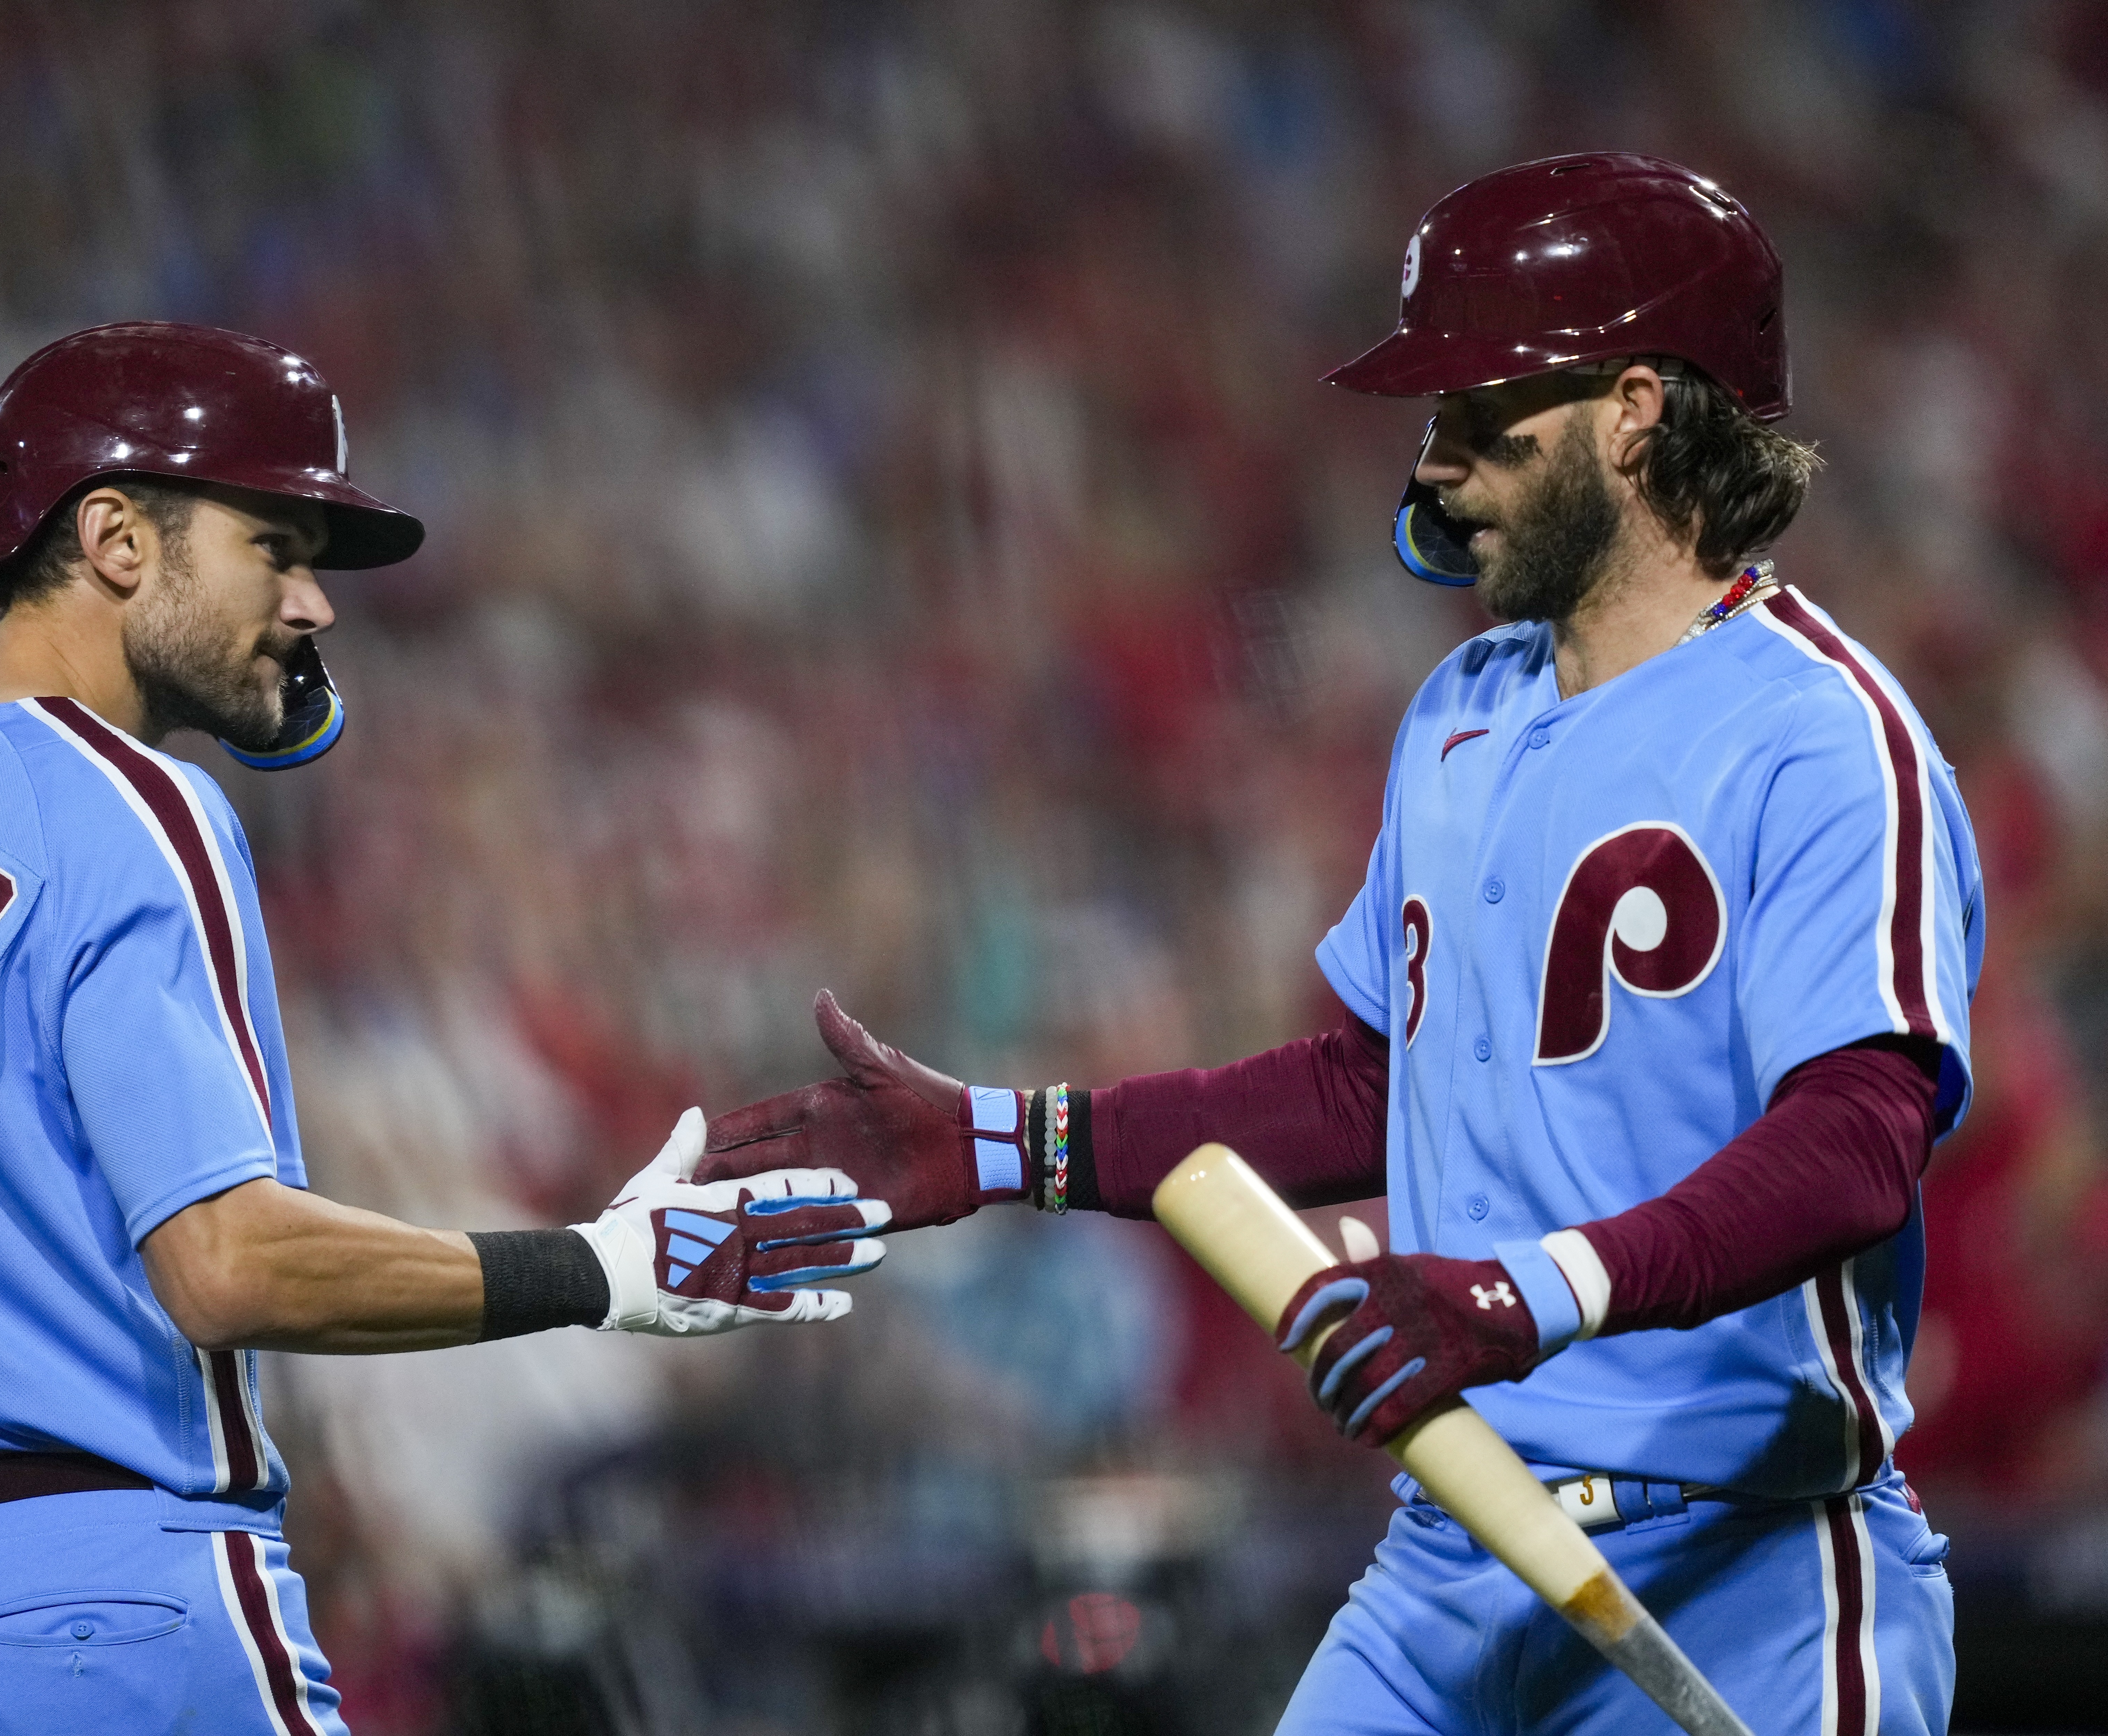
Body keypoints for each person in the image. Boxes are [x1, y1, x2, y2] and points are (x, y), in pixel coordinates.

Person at [700, 155, 1981, 1735]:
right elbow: (1379, 1086)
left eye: (1476, 412)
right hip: (1444, 1554)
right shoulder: (1458, 710)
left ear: (1637, 409)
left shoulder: (1821, 733)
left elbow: (1856, 1147)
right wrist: (995, 1143)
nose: (1434, 464)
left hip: (1744, 1567)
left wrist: (1520, 1299)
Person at [0, 321, 890, 1735]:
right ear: (116, 538)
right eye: (272, 544)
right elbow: (228, 1265)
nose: (312, 604)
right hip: (74, 1605)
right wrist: (596, 1268)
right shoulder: (134, 801)